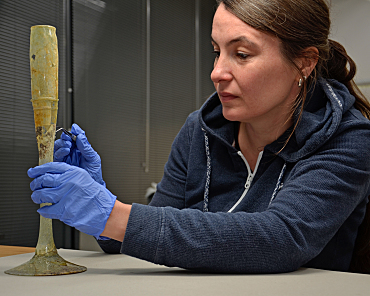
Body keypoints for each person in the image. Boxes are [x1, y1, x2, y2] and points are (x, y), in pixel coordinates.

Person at [28, 0, 370, 273]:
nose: (217, 72)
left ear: (305, 62)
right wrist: (100, 200)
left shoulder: (347, 138)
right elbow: (144, 234)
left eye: (242, 54)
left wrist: (113, 215)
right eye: (216, 51)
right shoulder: (200, 129)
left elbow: (281, 239)